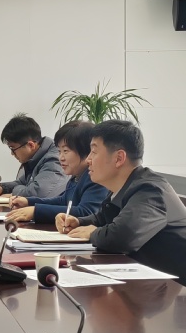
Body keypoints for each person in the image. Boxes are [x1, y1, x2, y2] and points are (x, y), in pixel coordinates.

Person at [57, 120, 186, 284]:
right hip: (150, 282)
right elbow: (103, 218)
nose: (88, 159)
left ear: (119, 158)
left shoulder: (150, 190)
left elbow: (124, 236)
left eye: (93, 152)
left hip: (175, 288)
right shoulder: (124, 187)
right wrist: (78, 222)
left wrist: (92, 233)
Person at [6, 121, 107, 224]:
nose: (61, 158)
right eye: (59, 151)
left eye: (65, 151)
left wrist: (35, 211)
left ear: (86, 150)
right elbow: (62, 201)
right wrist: (28, 201)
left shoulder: (95, 178)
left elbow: (86, 212)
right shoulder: (77, 176)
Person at [0, 113, 67, 198]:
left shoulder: (54, 160)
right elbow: (23, 182)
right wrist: (2, 188)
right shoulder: (36, 157)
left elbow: (39, 193)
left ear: (31, 145)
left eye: (13, 148)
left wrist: (13, 193)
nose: (12, 153)